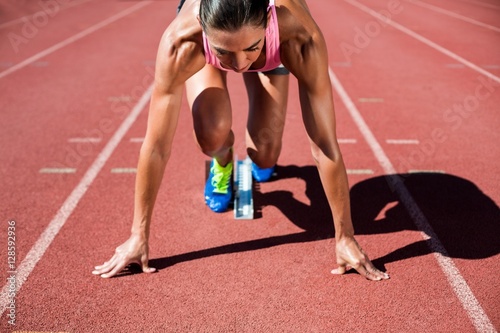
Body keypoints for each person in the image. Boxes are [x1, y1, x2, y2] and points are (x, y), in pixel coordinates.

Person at [92, 0, 390, 281]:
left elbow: (324, 143)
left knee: (264, 154)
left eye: (250, 49)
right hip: (219, 41)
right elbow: (156, 147)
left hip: (271, 49)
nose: (239, 64)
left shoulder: (299, 37)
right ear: (201, 24)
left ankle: (250, 54)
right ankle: (223, 161)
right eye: (225, 53)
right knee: (212, 131)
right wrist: (138, 235)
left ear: (269, 19)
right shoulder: (182, 42)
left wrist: (345, 237)